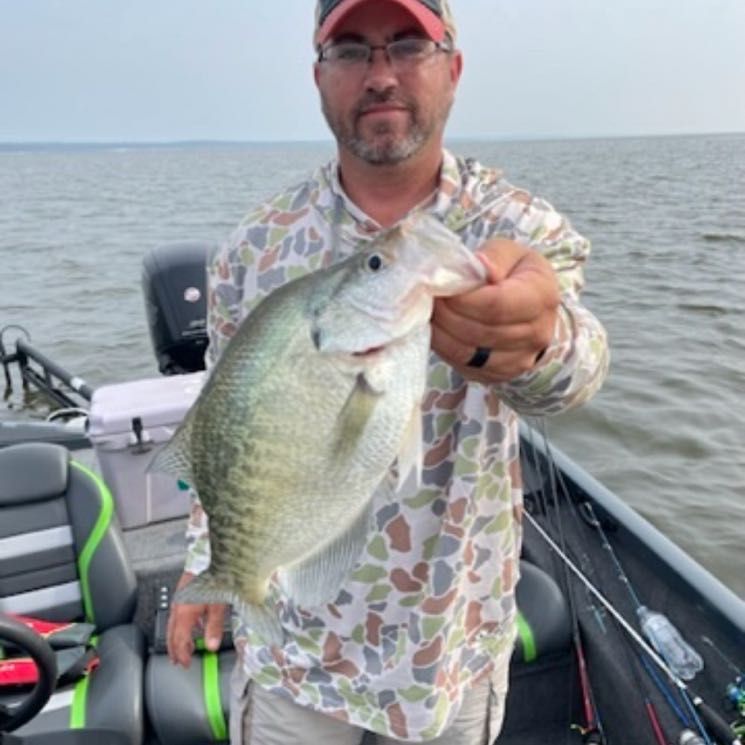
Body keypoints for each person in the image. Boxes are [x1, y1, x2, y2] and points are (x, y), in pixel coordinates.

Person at [167, 1, 610, 743]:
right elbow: (227, 426)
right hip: (295, 654)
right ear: (318, 78)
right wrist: (203, 563)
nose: (380, 74)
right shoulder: (254, 246)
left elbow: (578, 375)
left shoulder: (515, 225)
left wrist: (538, 343)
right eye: (350, 51)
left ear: (453, 67)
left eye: (407, 44)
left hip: (447, 651)